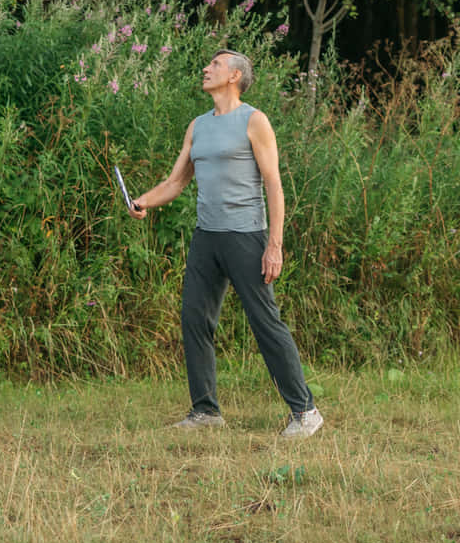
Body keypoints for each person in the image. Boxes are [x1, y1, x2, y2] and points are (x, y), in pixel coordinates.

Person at [128, 48, 323, 437]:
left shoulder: (254, 121)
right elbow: (176, 181)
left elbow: (274, 184)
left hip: (245, 236)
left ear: (234, 76)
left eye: (214, 64)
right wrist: (143, 201)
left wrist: (275, 244)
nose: (206, 67)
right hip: (207, 237)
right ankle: (205, 411)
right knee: (194, 319)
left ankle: (305, 412)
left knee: (265, 322)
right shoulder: (198, 125)